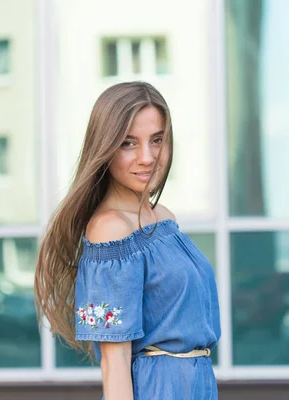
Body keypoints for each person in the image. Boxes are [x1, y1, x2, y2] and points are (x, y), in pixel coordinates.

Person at [34, 81, 221, 399]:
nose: (147, 157)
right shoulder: (109, 232)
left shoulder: (165, 218)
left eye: (157, 140)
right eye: (128, 143)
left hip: (197, 385)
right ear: (105, 148)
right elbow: (113, 359)